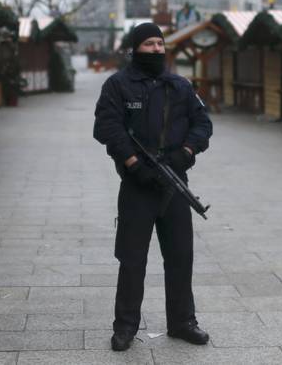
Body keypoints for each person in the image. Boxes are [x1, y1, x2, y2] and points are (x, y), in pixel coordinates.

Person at [93, 22, 213, 352]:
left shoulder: (179, 85)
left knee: (180, 257)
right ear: (135, 49)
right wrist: (134, 165)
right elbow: (107, 127)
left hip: (175, 186)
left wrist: (185, 154)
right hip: (137, 187)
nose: (157, 49)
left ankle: (182, 322)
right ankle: (126, 327)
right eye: (149, 44)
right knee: (132, 260)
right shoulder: (117, 86)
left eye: (160, 43)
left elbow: (203, 123)